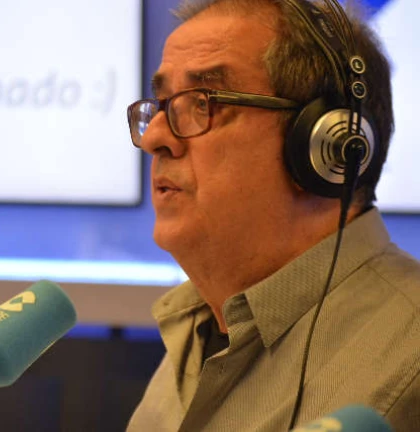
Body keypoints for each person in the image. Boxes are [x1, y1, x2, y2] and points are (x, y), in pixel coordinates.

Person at [125, 0, 420, 430]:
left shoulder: (410, 358)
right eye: (161, 103)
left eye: (203, 103)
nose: (154, 137)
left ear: (325, 148)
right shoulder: (199, 328)